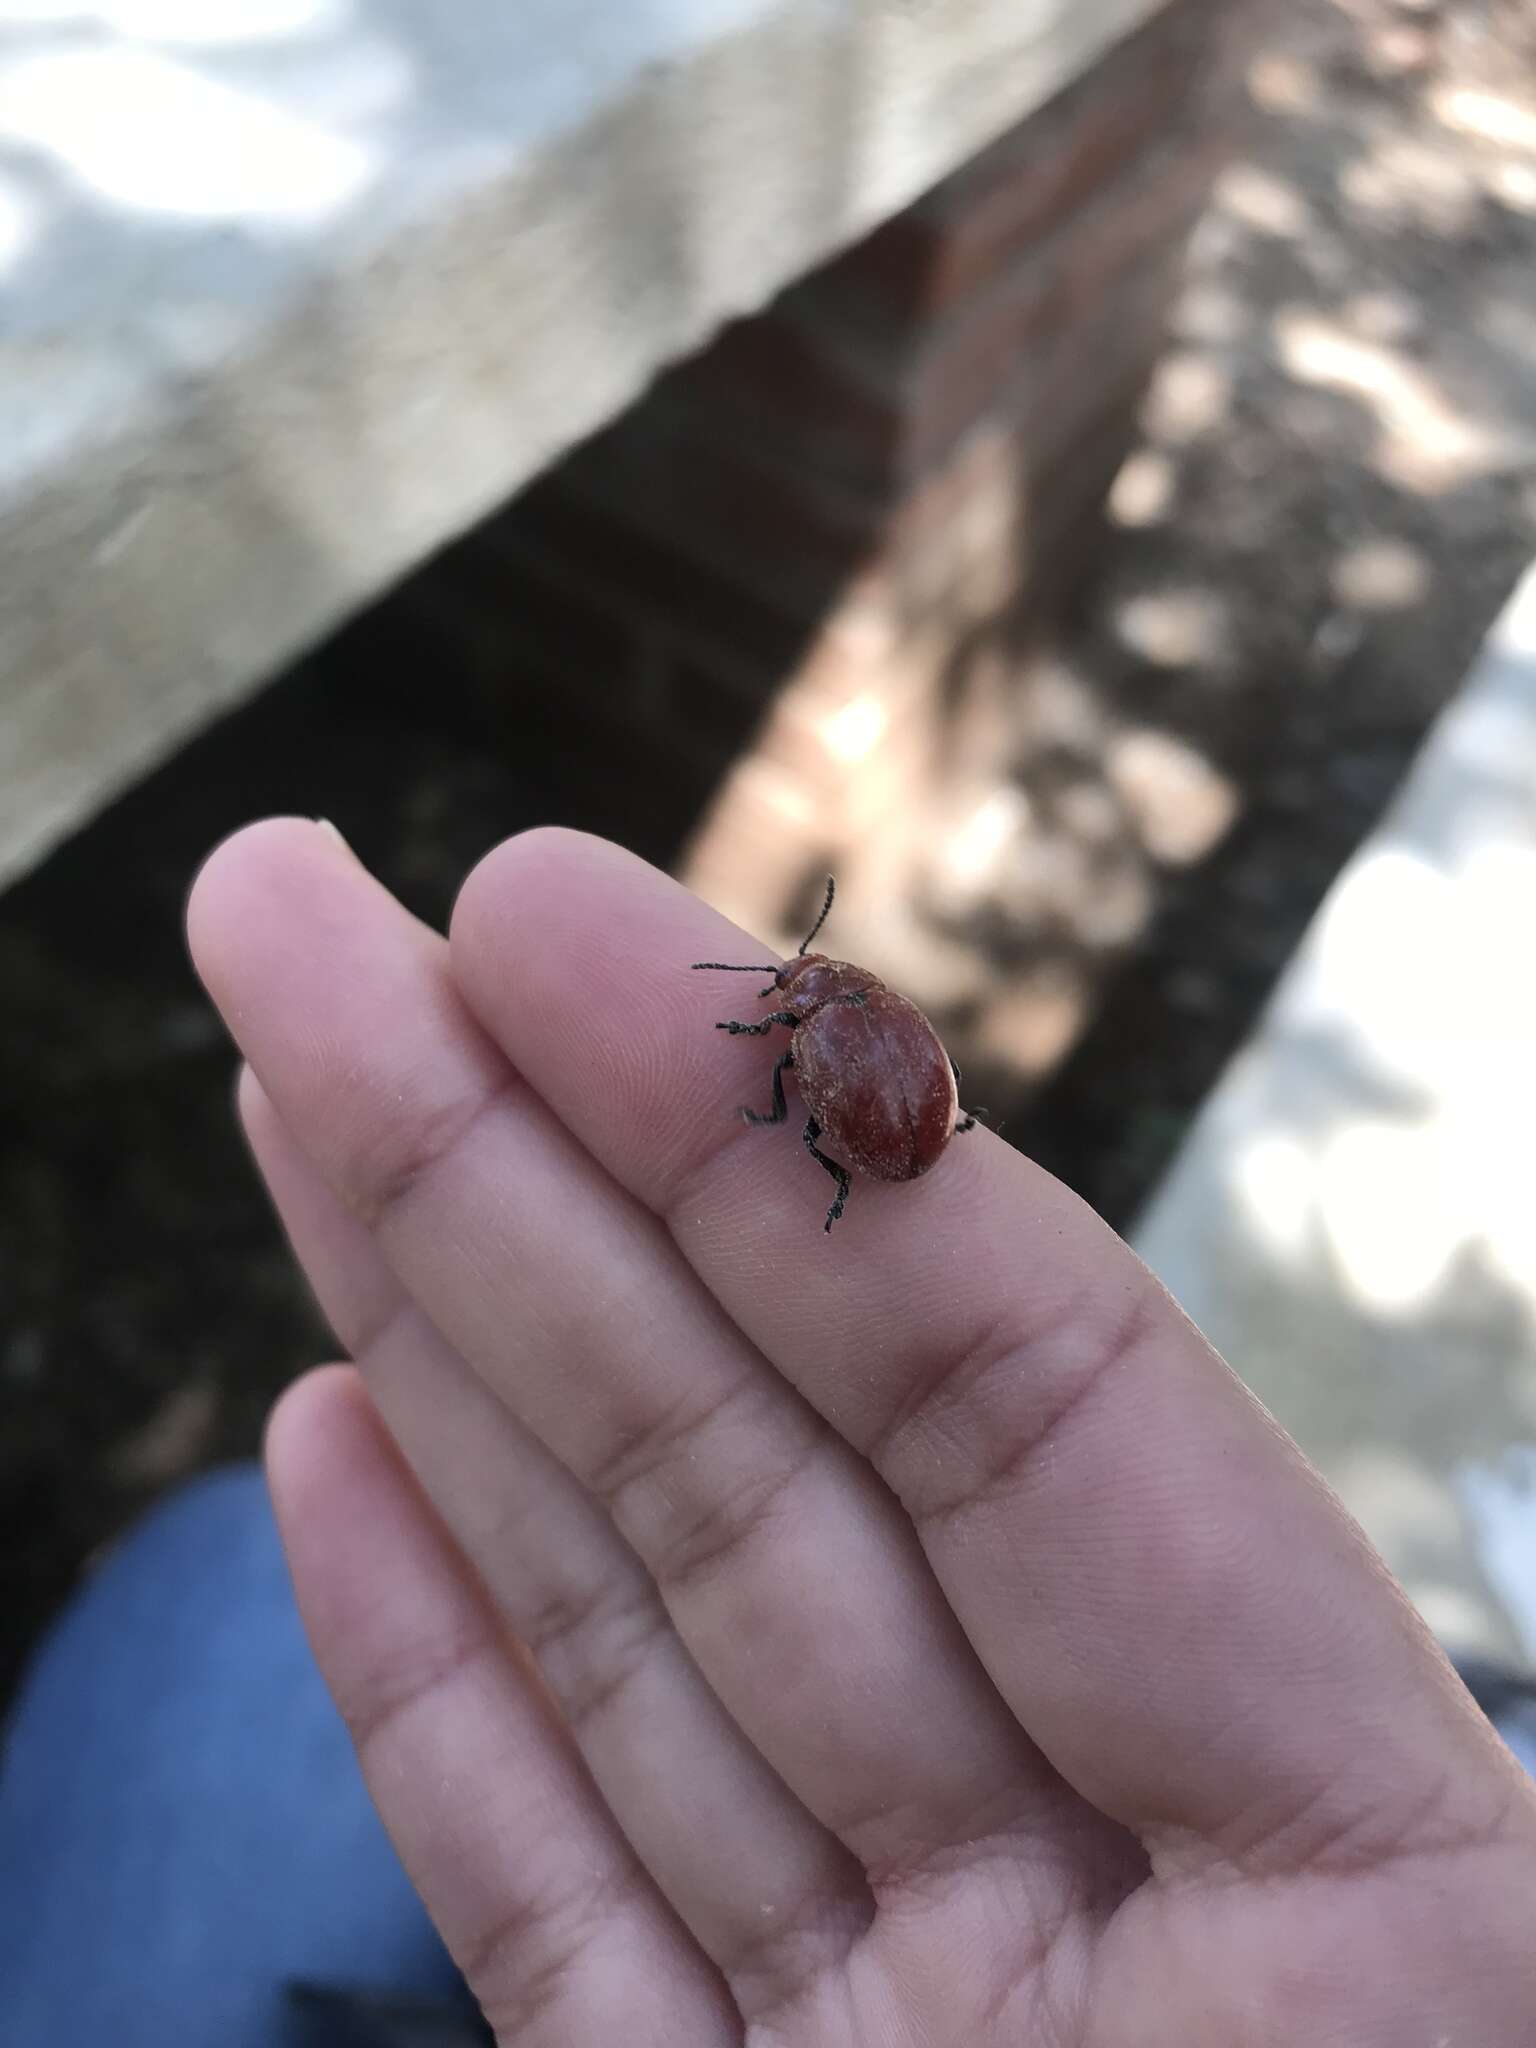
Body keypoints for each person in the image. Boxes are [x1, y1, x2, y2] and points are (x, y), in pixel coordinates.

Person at [4, 820, 1535, 2045]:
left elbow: (819, 1077)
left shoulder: (821, 1036)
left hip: (887, 1146)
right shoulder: (848, 1019)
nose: (784, 996)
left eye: (792, 987)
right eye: (784, 993)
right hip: (898, 1136)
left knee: (214, 1588)